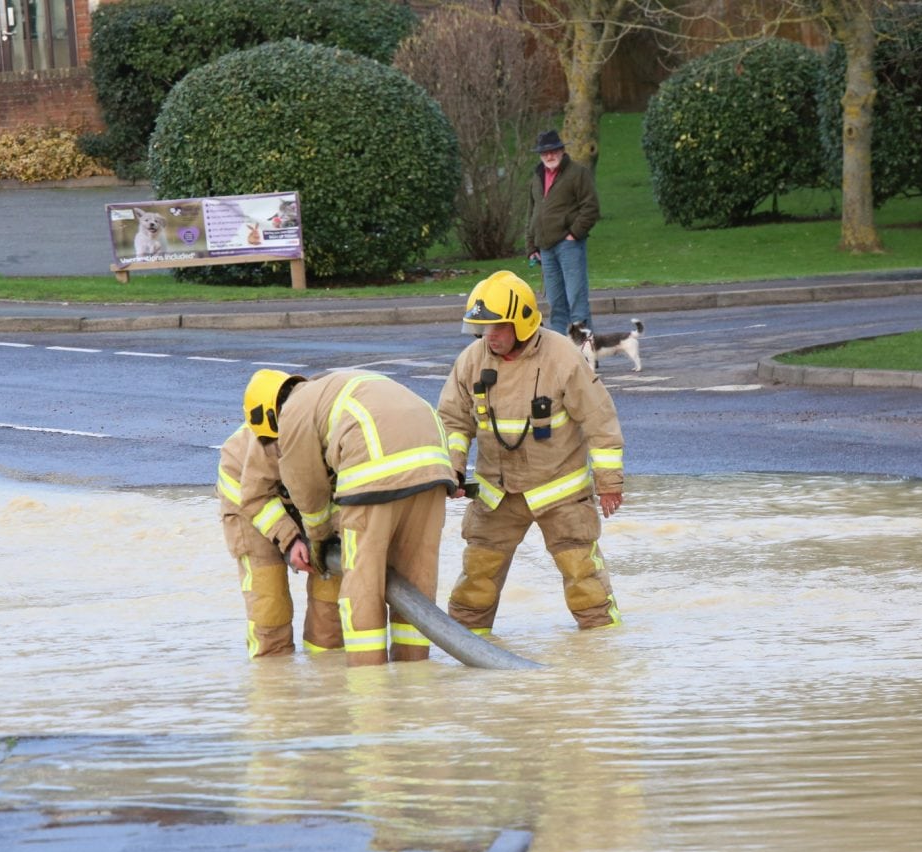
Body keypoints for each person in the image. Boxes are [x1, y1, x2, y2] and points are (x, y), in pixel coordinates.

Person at [438, 269, 624, 633]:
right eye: (482, 328)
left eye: (497, 327)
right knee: (475, 583)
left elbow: (599, 420)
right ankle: (468, 659)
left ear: (523, 322)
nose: (488, 336)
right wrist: (453, 471)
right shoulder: (472, 361)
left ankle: (603, 656)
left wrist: (609, 483)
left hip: (560, 492)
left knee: (584, 581)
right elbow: (453, 422)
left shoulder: (562, 358)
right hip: (497, 493)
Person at [241, 368, 457, 667]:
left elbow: (307, 488)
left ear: (270, 415)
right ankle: (414, 674)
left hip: (375, 474)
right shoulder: (332, 388)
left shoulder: (292, 413)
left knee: (363, 584)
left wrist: (318, 539)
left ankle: (367, 682)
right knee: (417, 576)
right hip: (433, 463)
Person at [217, 417, 343, 658]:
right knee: (269, 601)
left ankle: (327, 673)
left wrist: (328, 538)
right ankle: (272, 679)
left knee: (331, 596)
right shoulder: (249, 451)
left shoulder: (335, 437)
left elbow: (342, 499)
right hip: (250, 503)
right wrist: (291, 540)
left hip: (305, 495)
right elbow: (256, 501)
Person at [525, 128, 600, 334]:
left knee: (577, 301)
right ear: (540, 155)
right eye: (545, 152)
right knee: (556, 305)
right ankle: (560, 356)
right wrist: (531, 246)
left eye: (554, 151)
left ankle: (585, 356)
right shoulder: (536, 177)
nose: (550, 156)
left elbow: (591, 207)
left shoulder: (578, 173)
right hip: (545, 249)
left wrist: (573, 234)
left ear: (561, 151)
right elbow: (533, 212)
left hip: (569, 246)